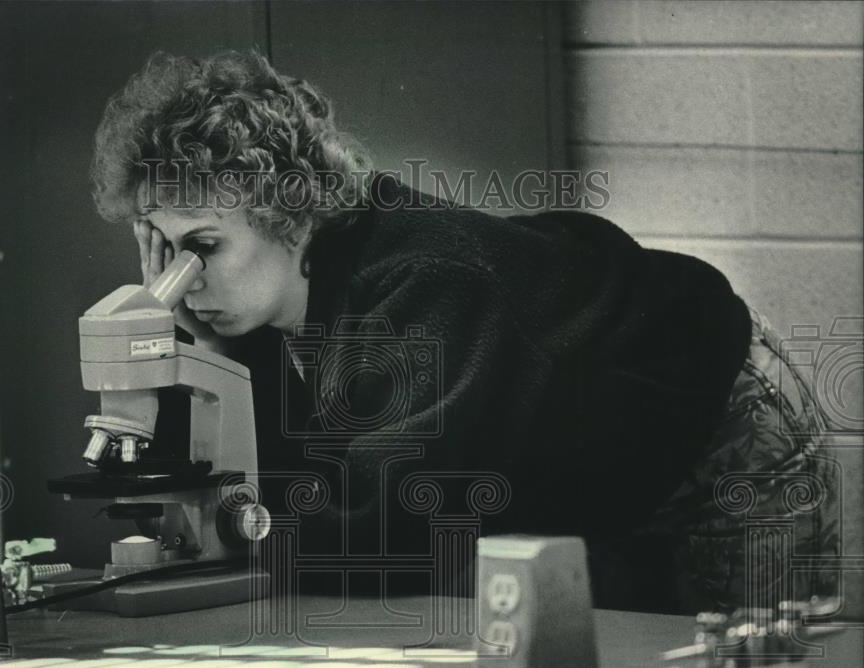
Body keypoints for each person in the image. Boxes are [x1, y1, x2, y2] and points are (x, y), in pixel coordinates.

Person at [90, 50, 839, 614]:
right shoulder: (284, 308)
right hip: (598, 469)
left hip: (728, 436)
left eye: (203, 248)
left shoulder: (426, 281)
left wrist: (234, 524)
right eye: (159, 242)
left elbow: (388, 537)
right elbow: (315, 491)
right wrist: (211, 352)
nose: (179, 279)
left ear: (287, 212)